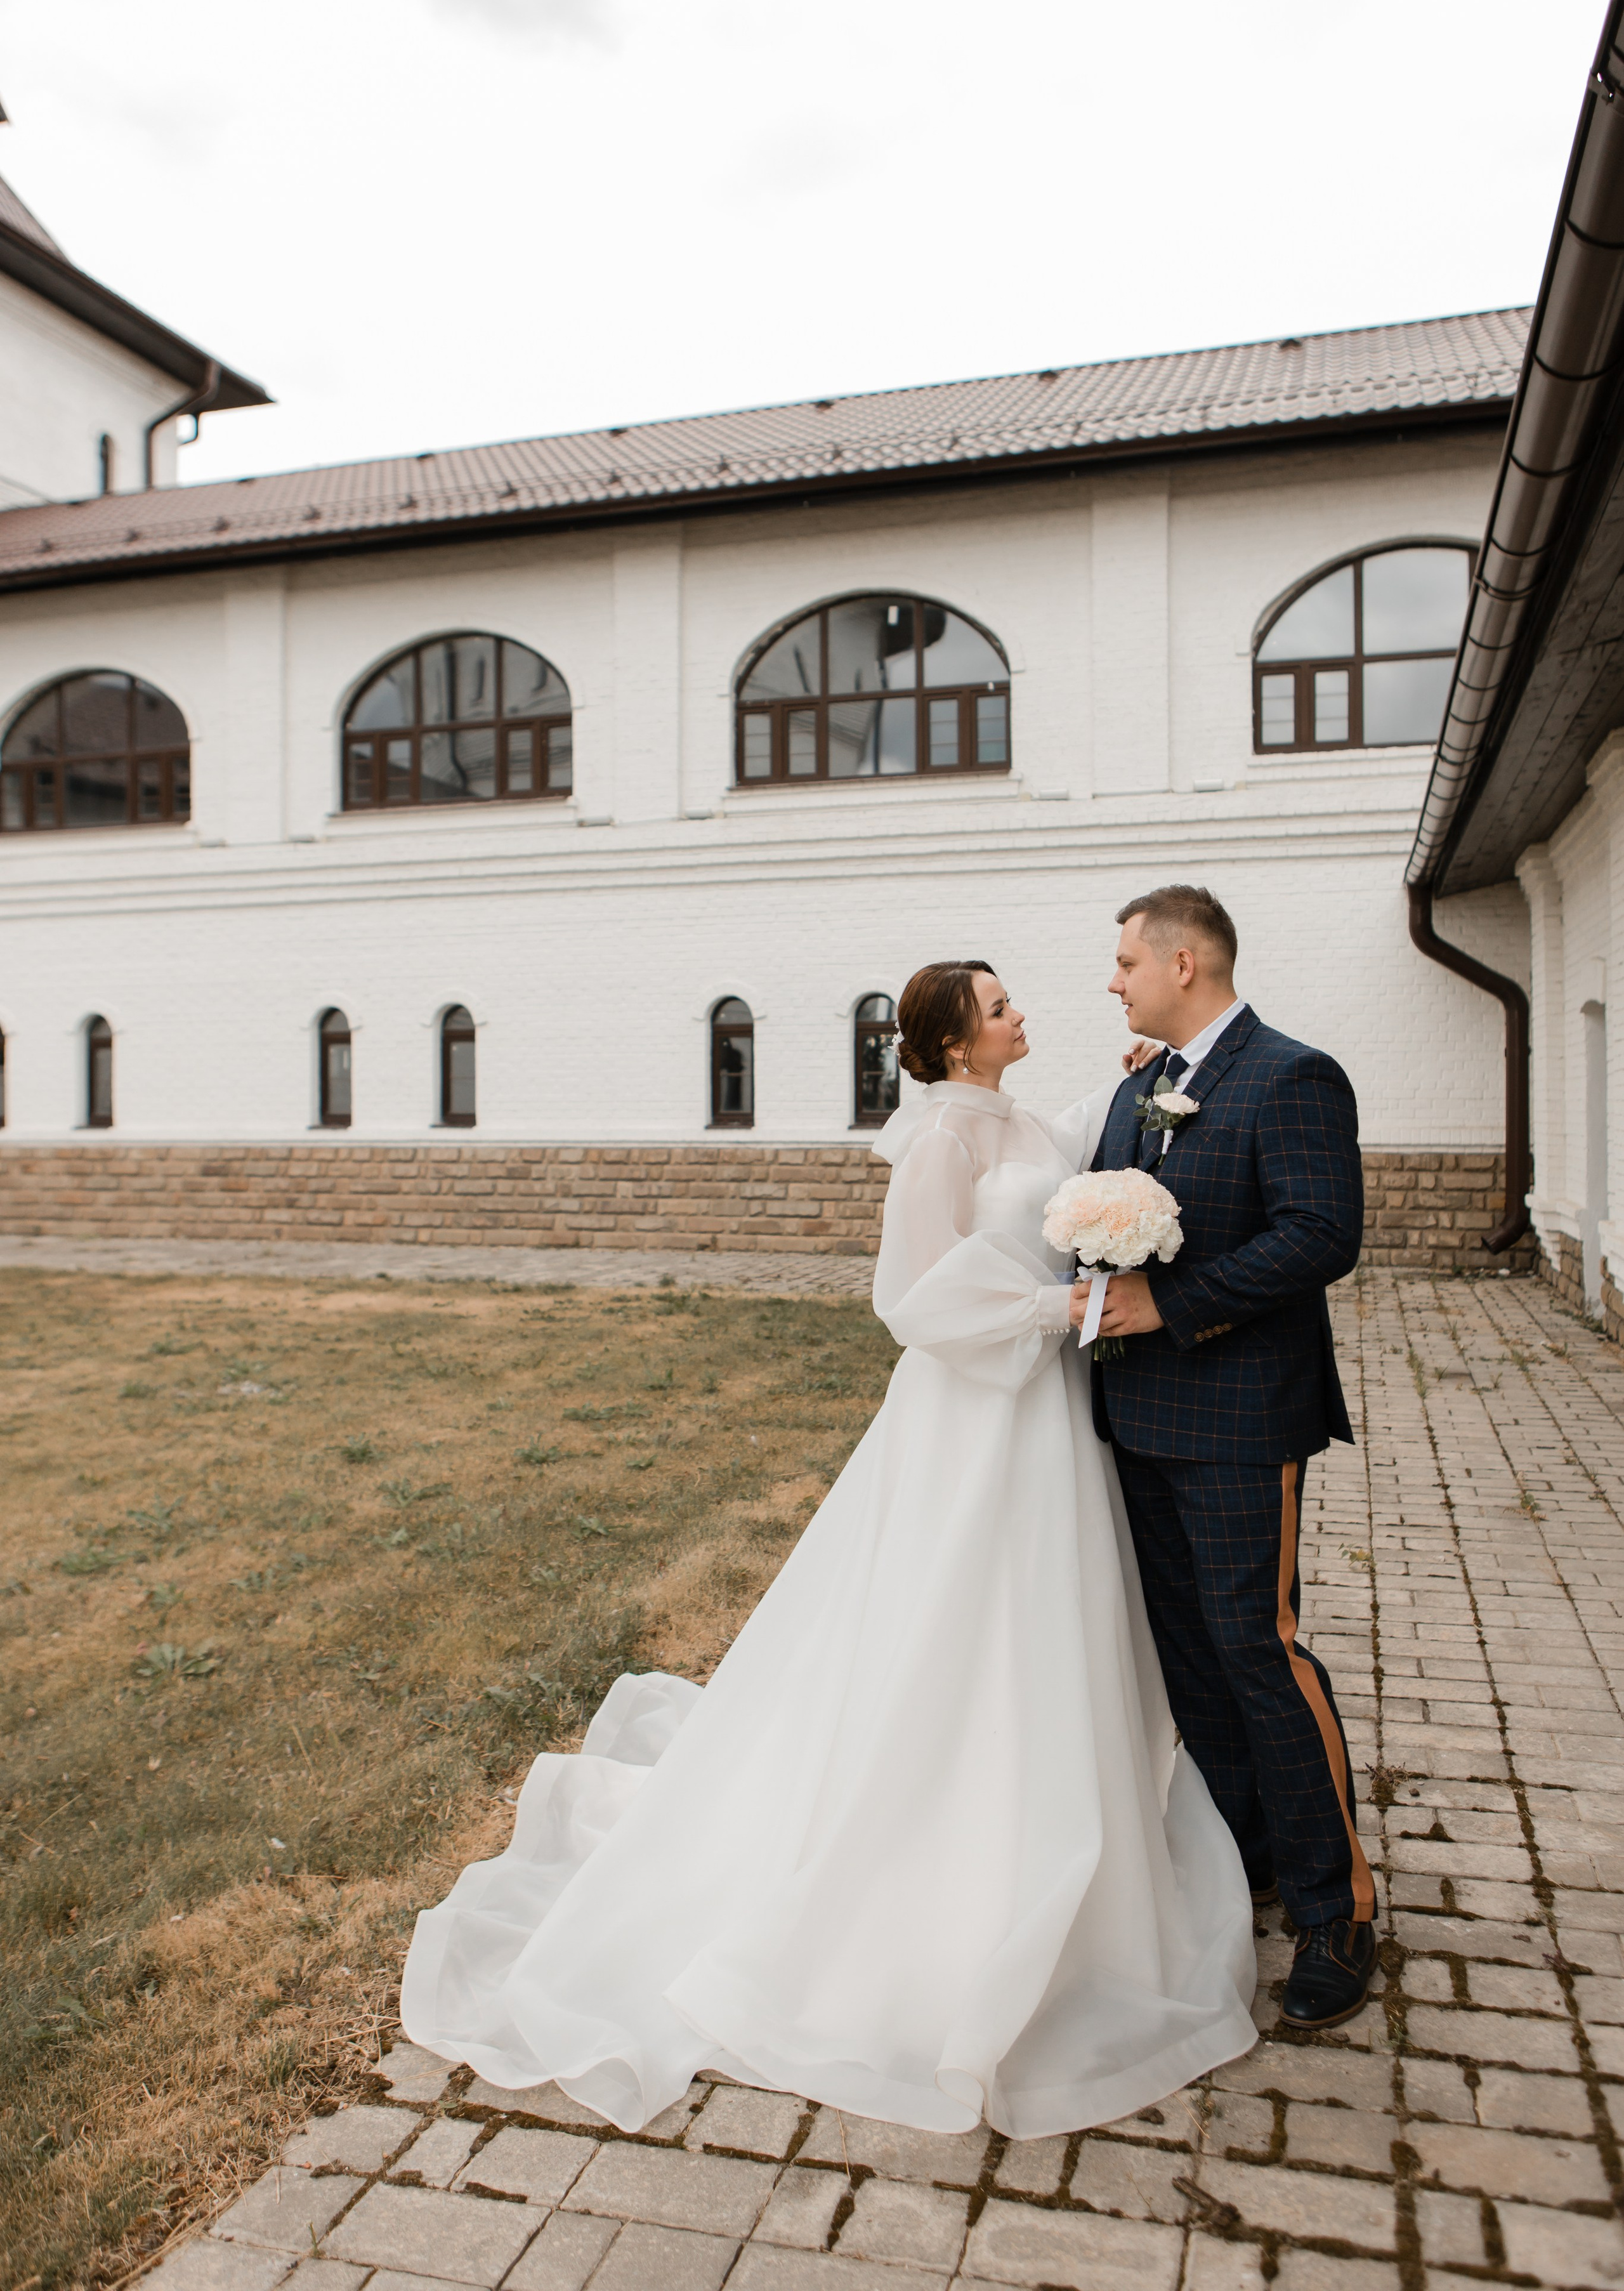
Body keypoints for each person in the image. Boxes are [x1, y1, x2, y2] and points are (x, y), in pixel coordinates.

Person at [399, 960, 1258, 2138]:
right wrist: (1052, 1312)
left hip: (1052, 1415)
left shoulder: (1007, 1114)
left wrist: (1137, 1090)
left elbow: (1051, 1165)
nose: (1022, 1015)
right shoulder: (939, 1138)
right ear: (958, 1047)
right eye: (1000, 1008)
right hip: (977, 1408)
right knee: (962, 1611)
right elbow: (909, 1299)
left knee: (1048, 1615)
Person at [1087, 885, 1372, 2030]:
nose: (1114, 979)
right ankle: (1246, 1856)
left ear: (1186, 959)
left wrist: (1170, 1304)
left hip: (1243, 1422)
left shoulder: (1293, 1074)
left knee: (1261, 1651)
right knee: (1192, 1661)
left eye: (1125, 961)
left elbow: (1321, 1235)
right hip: (1138, 1423)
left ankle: (1336, 1908)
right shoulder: (1139, 1083)